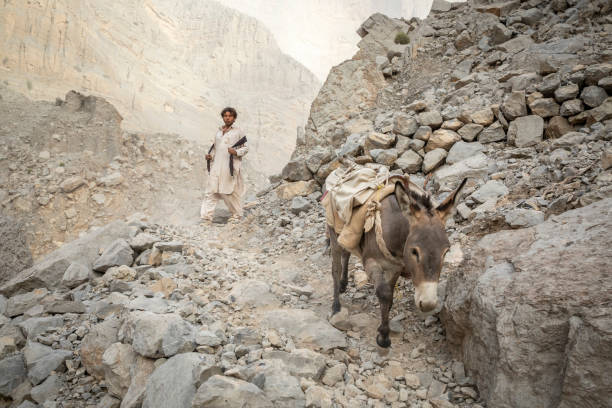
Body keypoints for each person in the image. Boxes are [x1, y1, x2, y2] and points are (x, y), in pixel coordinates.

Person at [200, 107, 248, 222]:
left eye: (230, 116)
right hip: (216, 166)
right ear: (223, 117)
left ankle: (236, 215)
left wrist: (236, 152)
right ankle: (206, 218)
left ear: (234, 118)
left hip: (229, 166)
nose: (227, 118)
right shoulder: (218, 132)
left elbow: (246, 148)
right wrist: (210, 157)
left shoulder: (238, 132)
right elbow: (215, 149)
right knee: (211, 191)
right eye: (225, 116)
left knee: (228, 191)